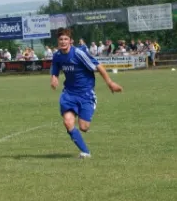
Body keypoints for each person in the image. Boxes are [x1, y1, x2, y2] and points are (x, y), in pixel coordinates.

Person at [50, 28, 123, 158]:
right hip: (69, 93)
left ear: (70, 41)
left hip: (85, 94)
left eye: (66, 39)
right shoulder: (57, 56)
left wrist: (110, 83)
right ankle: (85, 152)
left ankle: (89, 106)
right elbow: (55, 70)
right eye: (61, 39)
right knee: (68, 122)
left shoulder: (78, 53)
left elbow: (98, 66)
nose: (63, 41)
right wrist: (54, 78)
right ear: (58, 41)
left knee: (84, 127)